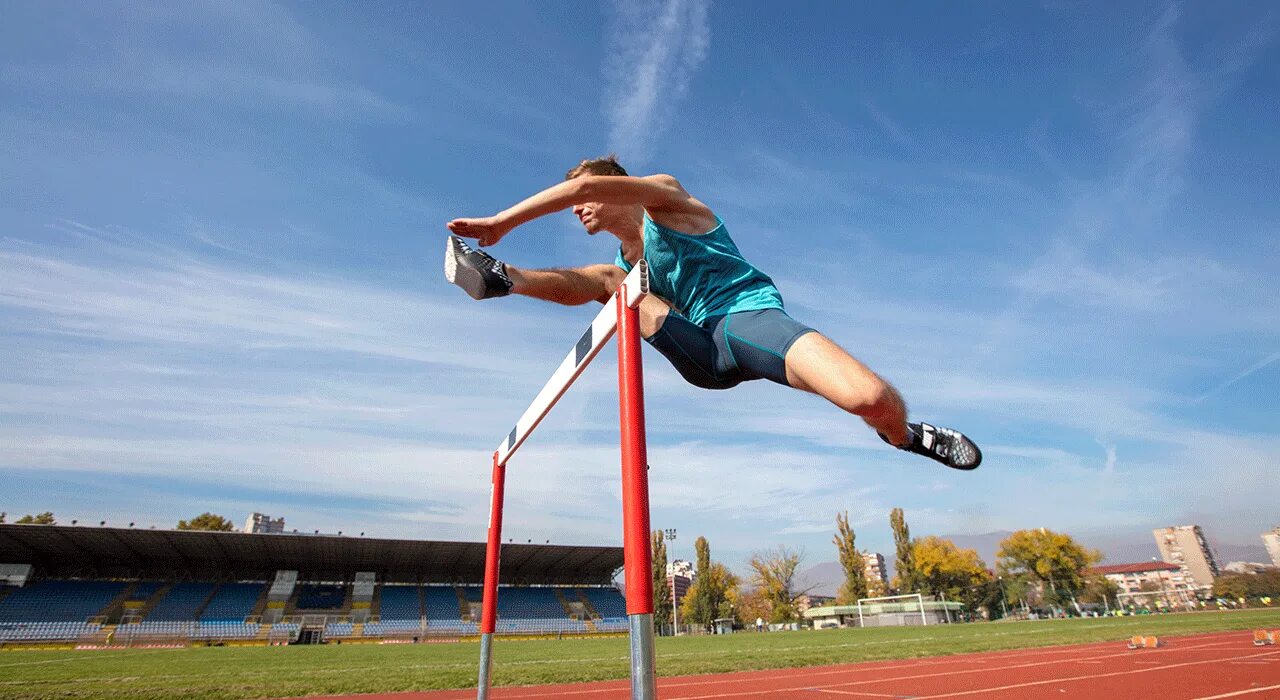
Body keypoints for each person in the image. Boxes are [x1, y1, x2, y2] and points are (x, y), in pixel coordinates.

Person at [445, 156, 980, 470]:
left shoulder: (669, 199)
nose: (578, 205)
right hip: (700, 354)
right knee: (609, 281)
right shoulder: (625, 264)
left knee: (870, 398)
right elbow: (583, 286)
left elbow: (585, 185)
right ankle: (502, 277)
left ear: (618, 187)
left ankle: (908, 437)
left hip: (747, 323)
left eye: (583, 193)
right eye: (575, 199)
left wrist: (501, 221)